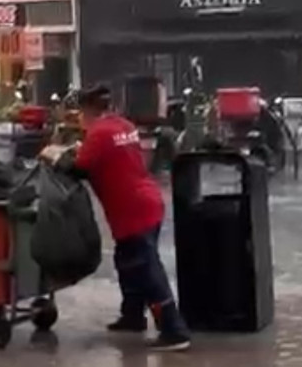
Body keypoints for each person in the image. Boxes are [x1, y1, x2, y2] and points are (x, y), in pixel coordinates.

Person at [40, 85, 191, 351]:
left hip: (132, 211)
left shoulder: (99, 133)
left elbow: (78, 169)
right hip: (148, 202)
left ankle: (173, 330)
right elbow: (110, 155)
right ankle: (132, 316)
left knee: (146, 270)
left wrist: (53, 157)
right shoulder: (123, 125)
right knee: (128, 263)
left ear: (87, 110)